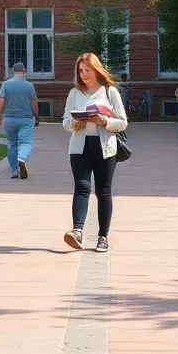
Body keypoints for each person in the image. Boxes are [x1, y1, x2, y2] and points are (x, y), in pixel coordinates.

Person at [63, 53, 128, 253]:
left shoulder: (110, 92)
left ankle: (103, 236)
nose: (83, 75)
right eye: (81, 71)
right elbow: (65, 122)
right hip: (79, 147)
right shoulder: (74, 93)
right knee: (81, 187)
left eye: (87, 70)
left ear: (96, 69)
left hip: (104, 147)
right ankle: (77, 231)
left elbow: (123, 122)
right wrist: (75, 122)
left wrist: (104, 121)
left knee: (103, 191)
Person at [0, 62, 39, 179]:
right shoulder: (29, 85)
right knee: (25, 142)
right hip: (26, 118)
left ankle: (15, 170)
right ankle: (21, 157)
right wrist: (37, 116)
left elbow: (1, 99)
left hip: (10, 118)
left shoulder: (6, 84)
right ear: (24, 71)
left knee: (11, 144)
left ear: (13, 71)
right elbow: (33, 102)